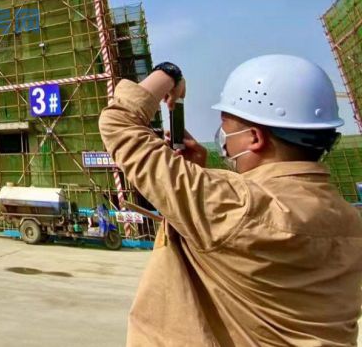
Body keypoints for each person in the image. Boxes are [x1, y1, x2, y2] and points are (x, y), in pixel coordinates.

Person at [99, 54, 362, 346]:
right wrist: (200, 175)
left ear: (255, 138)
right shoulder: (349, 220)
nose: (223, 136)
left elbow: (118, 124)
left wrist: (168, 74)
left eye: (226, 125)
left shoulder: (237, 205)